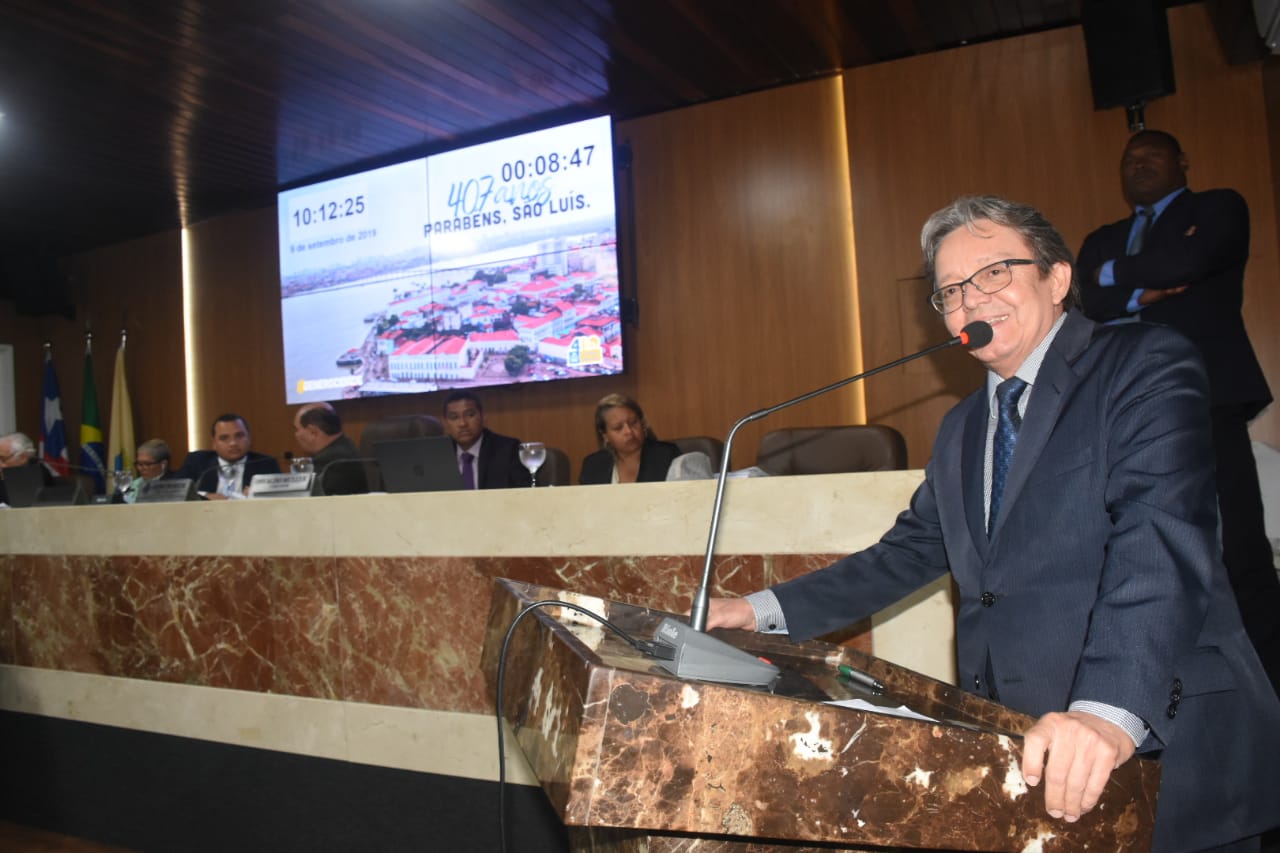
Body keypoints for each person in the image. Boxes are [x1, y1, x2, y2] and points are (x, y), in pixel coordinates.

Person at [707, 196, 1280, 852]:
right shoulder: (962, 428)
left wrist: (1106, 711)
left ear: (1057, 279)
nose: (970, 300)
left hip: (1162, 750)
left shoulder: (1143, 364)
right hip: (1026, 754)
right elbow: (906, 552)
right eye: (950, 290)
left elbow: (1157, 539)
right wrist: (757, 611)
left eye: (994, 272)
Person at [1077, 130, 1279, 694]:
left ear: (1182, 161)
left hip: (1208, 399)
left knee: (1239, 550)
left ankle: (1271, 689)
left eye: (1152, 154)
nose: (1138, 163)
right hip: (1124, 409)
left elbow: (1188, 260)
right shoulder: (1102, 237)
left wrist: (1116, 275)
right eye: (1129, 158)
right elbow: (1084, 299)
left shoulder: (1218, 208)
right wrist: (1147, 289)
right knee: (1137, 550)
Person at [579, 394, 680, 484]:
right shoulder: (593, 465)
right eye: (618, 428)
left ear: (642, 423)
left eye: (633, 423)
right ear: (605, 435)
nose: (629, 431)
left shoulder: (667, 456)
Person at [175, 414, 280, 500]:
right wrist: (205, 496)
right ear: (214, 443)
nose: (233, 443)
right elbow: (174, 492)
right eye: (224, 438)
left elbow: (280, 496)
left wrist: (259, 495)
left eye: (239, 436)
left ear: (249, 438)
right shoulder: (197, 461)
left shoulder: (266, 464)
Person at [440, 390, 530, 489]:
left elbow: (523, 492)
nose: (463, 424)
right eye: (454, 417)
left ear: (483, 416)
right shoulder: (439, 455)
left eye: (470, 415)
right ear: (445, 423)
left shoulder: (509, 450)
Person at [293, 403, 367, 495]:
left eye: (297, 429)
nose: (296, 435)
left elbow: (304, 498)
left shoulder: (328, 462)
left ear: (312, 432)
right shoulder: (348, 446)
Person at [116, 438, 178, 503]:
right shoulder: (132, 484)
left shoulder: (174, 484)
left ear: (163, 464)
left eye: (147, 464)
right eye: (139, 464)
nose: (141, 468)